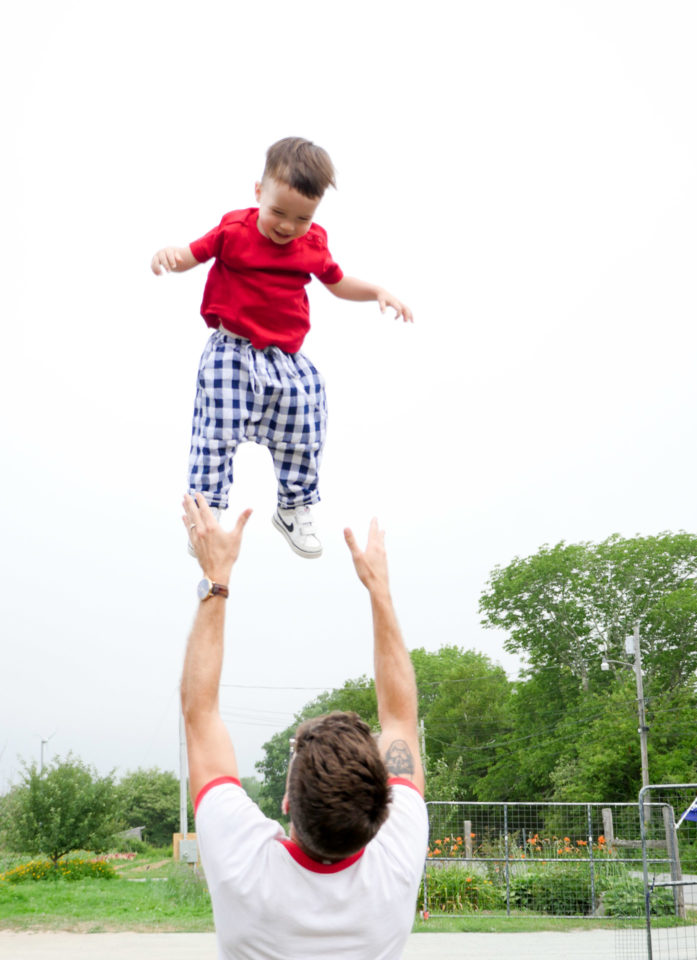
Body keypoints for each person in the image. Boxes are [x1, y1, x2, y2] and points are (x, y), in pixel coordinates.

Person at [181, 493, 428, 960]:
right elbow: (400, 717)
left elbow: (199, 716)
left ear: (288, 800)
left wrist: (216, 579)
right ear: (381, 811)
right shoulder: (394, 866)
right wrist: (380, 591)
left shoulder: (245, 869)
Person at [152, 137, 413, 560]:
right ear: (258, 192)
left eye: (302, 218)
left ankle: (294, 505)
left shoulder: (313, 244)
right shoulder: (233, 230)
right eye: (277, 212)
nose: (288, 226)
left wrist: (377, 291)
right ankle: (208, 511)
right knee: (216, 433)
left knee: (306, 417)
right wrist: (171, 255)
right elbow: (193, 254)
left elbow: (337, 282)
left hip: (285, 358)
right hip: (231, 350)